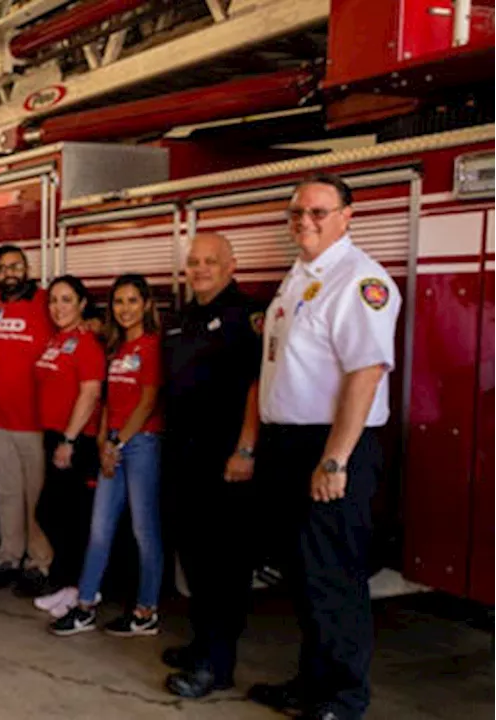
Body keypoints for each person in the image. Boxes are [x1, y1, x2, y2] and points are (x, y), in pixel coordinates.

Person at [247, 174, 400, 720]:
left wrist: (333, 460)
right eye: (296, 213)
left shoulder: (359, 280)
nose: (304, 222)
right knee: (305, 575)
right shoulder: (302, 276)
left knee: (335, 577)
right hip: (291, 445)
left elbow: (365, 374)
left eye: (317, 212)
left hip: (331, 448)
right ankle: (311, 683)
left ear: (347, 215)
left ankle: (343, 697)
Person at [161, 233, 263, 699]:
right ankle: (202, 643)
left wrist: (245, 449)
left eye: (210, 261)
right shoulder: (183, 318)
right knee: (196, 560)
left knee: (224, 566)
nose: (200, 269)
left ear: (231, 265)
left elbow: (257, 387)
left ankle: (216, 666)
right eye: (194, 262)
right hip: (184, 457)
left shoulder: (248, 318)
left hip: (226, 462)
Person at [52, 274, 164, 639]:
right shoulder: (118, 349)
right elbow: (109, 402)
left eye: (133, 301)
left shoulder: (151, 346)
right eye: (119, 302)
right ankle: (84, 607)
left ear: (146, 304)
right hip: (113, 445)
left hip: (141, 444)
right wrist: (103, 440)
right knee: (99, 529)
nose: (125, 309)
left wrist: (119, 442)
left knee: (143, 531)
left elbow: (147, 401)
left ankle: (146, 611)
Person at [31, 275, 105, 619]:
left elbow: (89, 393)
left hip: (75, 440)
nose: (58, 307)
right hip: (53, 436)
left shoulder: (86, 342)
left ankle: (77, 588)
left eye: (66, 300)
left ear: (82, 304)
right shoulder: (57, 340)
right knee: (54, 512)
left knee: (64, 515)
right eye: (54, 301)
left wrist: (70, 440)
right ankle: (65, 584)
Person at [0, 244, 54, 597]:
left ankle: (38, 563)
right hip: (0, 419)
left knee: (36, 498)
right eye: (3, 267)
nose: (9, 272)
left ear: (26, 269)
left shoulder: (45, 302)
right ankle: (9, 558)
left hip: (37, 421)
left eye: (16, 266)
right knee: (7, 495)